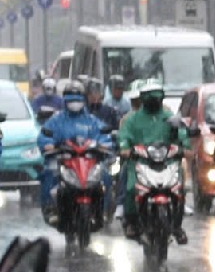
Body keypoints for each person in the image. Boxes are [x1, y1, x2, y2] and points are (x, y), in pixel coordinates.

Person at [116, 80, 189, 243]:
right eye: (150, 97)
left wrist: (184, 145)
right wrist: (126, 148)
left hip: (166, 163)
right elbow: (124, 137)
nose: (154, 100)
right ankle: (132, 221)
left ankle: (177, 225)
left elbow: (181, 133)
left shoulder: (169, 116)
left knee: (179, 188)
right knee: (130, 188)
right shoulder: (133, 119)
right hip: (141, 162)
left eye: (156, 96)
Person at [38, 79, 112, 223]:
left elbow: (104, 135)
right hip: (64, 161)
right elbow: (45, 135)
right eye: (71, 99)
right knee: (48, 173)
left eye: (77, 99)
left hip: (88, 161)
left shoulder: (91, 120)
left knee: (106, 175)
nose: (74, 103)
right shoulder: (56, 120)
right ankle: (51, 208)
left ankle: (103, 210)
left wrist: (104, 145)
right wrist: (49, 145)